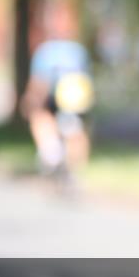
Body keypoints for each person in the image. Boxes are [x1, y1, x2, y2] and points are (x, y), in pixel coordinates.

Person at [20, 21, 94, 179]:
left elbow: (40, 81)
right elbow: (86, 78)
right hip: (76, 98)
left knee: (39, 116)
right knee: (76, 131)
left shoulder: (45, 51)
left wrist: (31, 100)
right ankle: (75, 168)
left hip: (57, 97)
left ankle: (51, 152)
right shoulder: (78, 51)